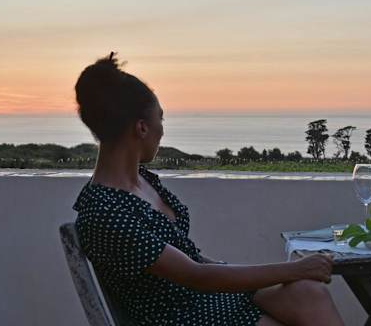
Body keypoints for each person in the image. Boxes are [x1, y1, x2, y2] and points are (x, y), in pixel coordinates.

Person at [71, 53, 345, 326]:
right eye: (160, 119)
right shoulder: (105, 212)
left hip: (205, 300)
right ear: (142, 128)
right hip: (180, 316)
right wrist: (294, 269)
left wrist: (293, 273)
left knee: (309, 293)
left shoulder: (142, 182)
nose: (162, 130)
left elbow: (195, 261)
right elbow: (196, 275)